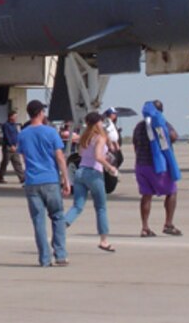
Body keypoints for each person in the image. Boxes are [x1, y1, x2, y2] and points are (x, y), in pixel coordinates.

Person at [17, 99, 71, 267]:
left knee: (39, 221)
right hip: (50, 180)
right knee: (57, 216)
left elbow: (23, 157)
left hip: (32, 181)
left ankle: (44, 258)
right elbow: (60, 157)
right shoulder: (51, 132)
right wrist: (66, 179)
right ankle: (60, 254)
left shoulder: (23, 134)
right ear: (40, 113)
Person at [64, 111, 119, 252]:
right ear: (97, 123)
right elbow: (98, 156)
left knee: (77, 206)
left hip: (80, 171)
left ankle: (62, 225)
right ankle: (104, 240)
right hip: (93, 172)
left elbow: (82, 154)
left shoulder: (85, 137)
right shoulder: (100, 137)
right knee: (100, 207)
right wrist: (110, 167)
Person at [133, 100, 182, 237]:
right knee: (172, 191)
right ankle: (168, 224)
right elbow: (173, 136)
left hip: (141, 165)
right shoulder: (161, 123)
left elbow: (135, 143)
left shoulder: (139, 126)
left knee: (146, 196)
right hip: (157, 166)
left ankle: (145, 227)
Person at [0, 110, 25, 184]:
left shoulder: (14, 125)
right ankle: (0, 177)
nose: (16, 118)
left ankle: (22, 177)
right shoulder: (6, 125)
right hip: (8, 147)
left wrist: (17, 144)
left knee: (17, 162)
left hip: (15, 146)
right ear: (10, 117)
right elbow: (7, 136)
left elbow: (16, 135)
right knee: (5, 162)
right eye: (15, 116)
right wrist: (11, 145)